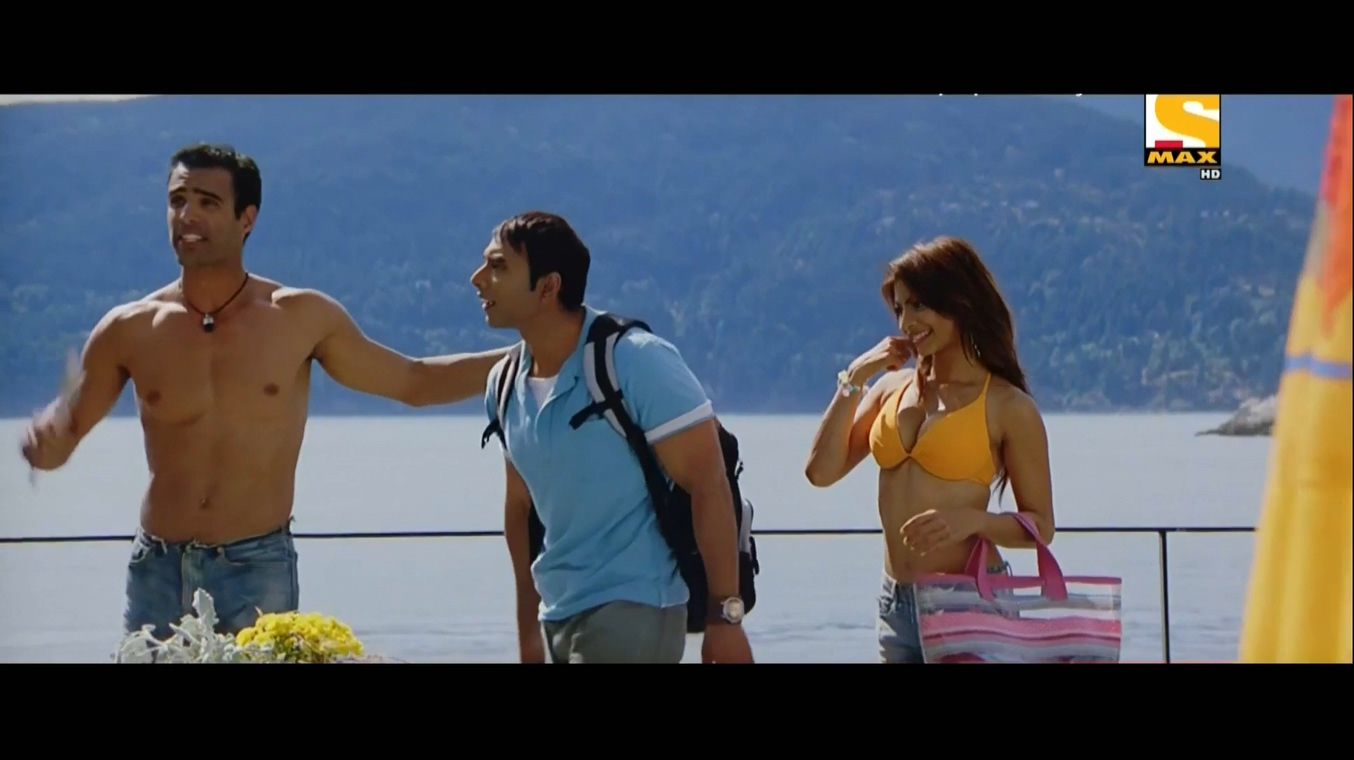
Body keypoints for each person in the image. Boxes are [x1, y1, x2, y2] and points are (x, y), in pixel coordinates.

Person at [18, 143, 511, 648]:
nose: (187, 215)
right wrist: (45, 446)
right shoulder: (130, 328)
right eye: (178, 200)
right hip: (158, 570)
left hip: (255, 569)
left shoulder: (298, 317)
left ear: (246, 218)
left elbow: (414, 381)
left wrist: (528, 355)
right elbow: (66, 433)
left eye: (207, 202)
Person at [471, 211, 754, 664]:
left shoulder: (635, 361)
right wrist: (528, 633)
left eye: (499, 266)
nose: (478, 278)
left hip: (634, 611)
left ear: (548, 286)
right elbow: (520, 509)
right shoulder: (503, 384)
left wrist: (726, 620)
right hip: (557, 615)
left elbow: (709, 483)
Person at [803, 236, 1055, 664]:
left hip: (969, 601)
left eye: (918, 305)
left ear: (959, 302)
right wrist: (856, 376)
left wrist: (972, 521)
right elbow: (820, 472)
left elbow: (1041, 527)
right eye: (900, 308)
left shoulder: (1008, 406)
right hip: (896, 604)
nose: (906, 322)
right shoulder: (890, 389)